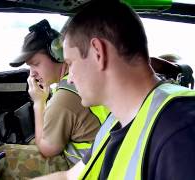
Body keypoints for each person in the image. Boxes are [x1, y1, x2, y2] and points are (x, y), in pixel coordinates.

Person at [34, 1, 195, 179]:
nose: (69, 77)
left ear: (98, 53)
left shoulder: (179, 134)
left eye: (71, 63)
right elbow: (70, 176)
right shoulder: (115, 120)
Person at [0, 19, 108, 179]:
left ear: (58, 56)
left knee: (2, 157)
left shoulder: (64, 98)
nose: (31, 73)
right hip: (101, 158)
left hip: (86, 168)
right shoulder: (83, 80)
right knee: (31, 143)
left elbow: (46, 150)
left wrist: (39, 102)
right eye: (29, 66)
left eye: (36, 64)